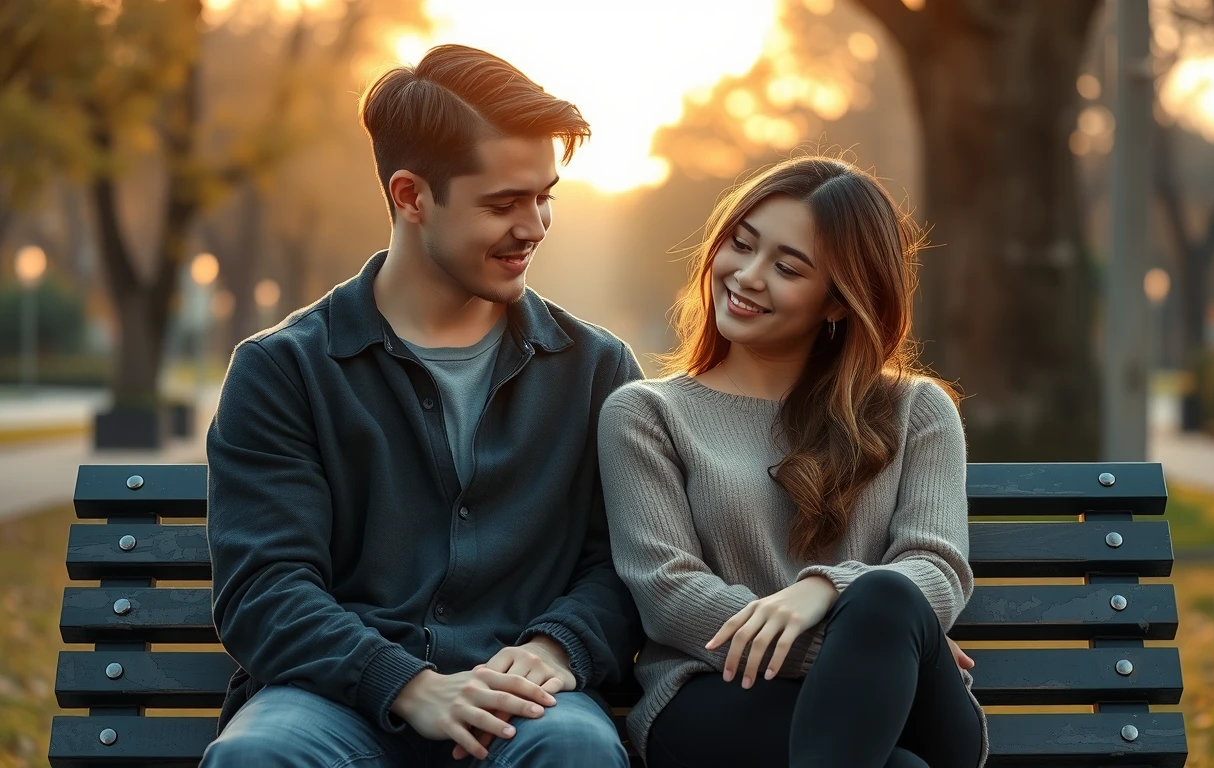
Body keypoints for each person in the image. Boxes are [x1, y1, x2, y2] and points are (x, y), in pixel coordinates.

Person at [201, 44, 642, 768]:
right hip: (333, 699)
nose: (534, 226)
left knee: (577, 751)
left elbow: (622, 564)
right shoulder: (283, 369)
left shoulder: (596, 368)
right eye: (503, 203)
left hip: (524, 704)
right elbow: (266, 588)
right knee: (259, 758)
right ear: (410, 197)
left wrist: (556, 643)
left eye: (544, 196)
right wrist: (406, 684)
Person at [598, 156, 989, 768]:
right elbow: (669, 594)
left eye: (785, 267)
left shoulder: (916, 410)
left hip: (914, 709)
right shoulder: (647, 413)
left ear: (837, 303)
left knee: (888, 596)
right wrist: (867, 647)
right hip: (719, 696)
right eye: (741, 244)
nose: (748, 276)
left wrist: (824, 592)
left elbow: (935, 568)